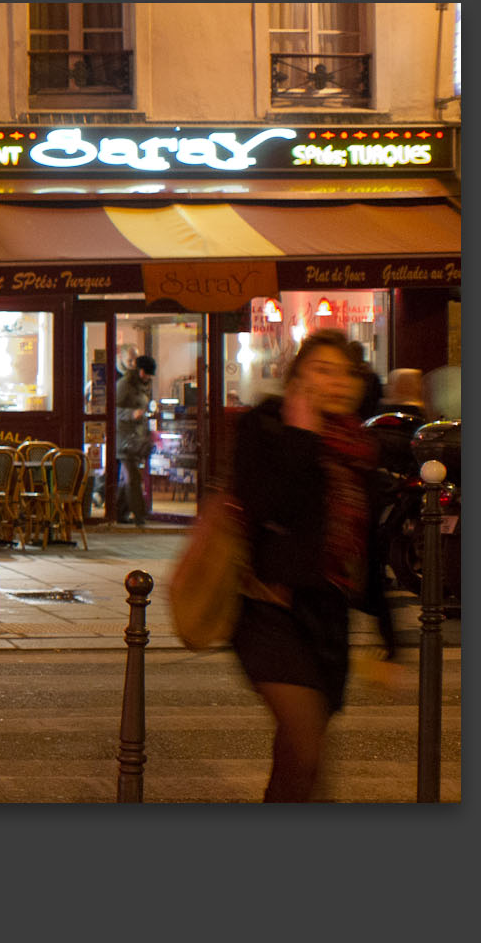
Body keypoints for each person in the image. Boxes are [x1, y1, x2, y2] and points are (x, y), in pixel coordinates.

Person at [229, 328, 377, 802]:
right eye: (321, 369)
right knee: (305, 744)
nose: (334, 381)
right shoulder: (266, 426)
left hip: (327, 617)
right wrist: (301, 433)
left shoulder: (358, 447)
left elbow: (363, 541)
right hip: (270, 607)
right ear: (297, 374)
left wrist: (389, 634)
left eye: (344, 372)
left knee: (300, 760)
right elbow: (264, 505)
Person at [115, 355, 156, 526]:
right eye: (147, 374)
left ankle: (119, 513)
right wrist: (131, 414)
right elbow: (113, 410)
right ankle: (140, 516)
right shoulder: (124, 385)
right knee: (132, 478)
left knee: (127, 479)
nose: (149, 378)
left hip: (136, 438)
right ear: (140, 371)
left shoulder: (144, 386)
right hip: (124, 439)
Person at [347, 341, 384, 421]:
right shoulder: (372, 376)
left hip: (352, 418)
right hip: (369, 419)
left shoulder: (347, 375)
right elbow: (378, 400)